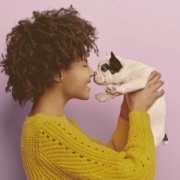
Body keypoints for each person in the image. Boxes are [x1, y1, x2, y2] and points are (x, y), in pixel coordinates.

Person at [0, 5, 164, 180]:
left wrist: (126, 112)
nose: (92, 72)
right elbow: (137, 175)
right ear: (57, 73)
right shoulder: (46, 134)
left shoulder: (53, 126)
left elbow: (110, 161)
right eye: (85, 64)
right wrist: (139, 112)